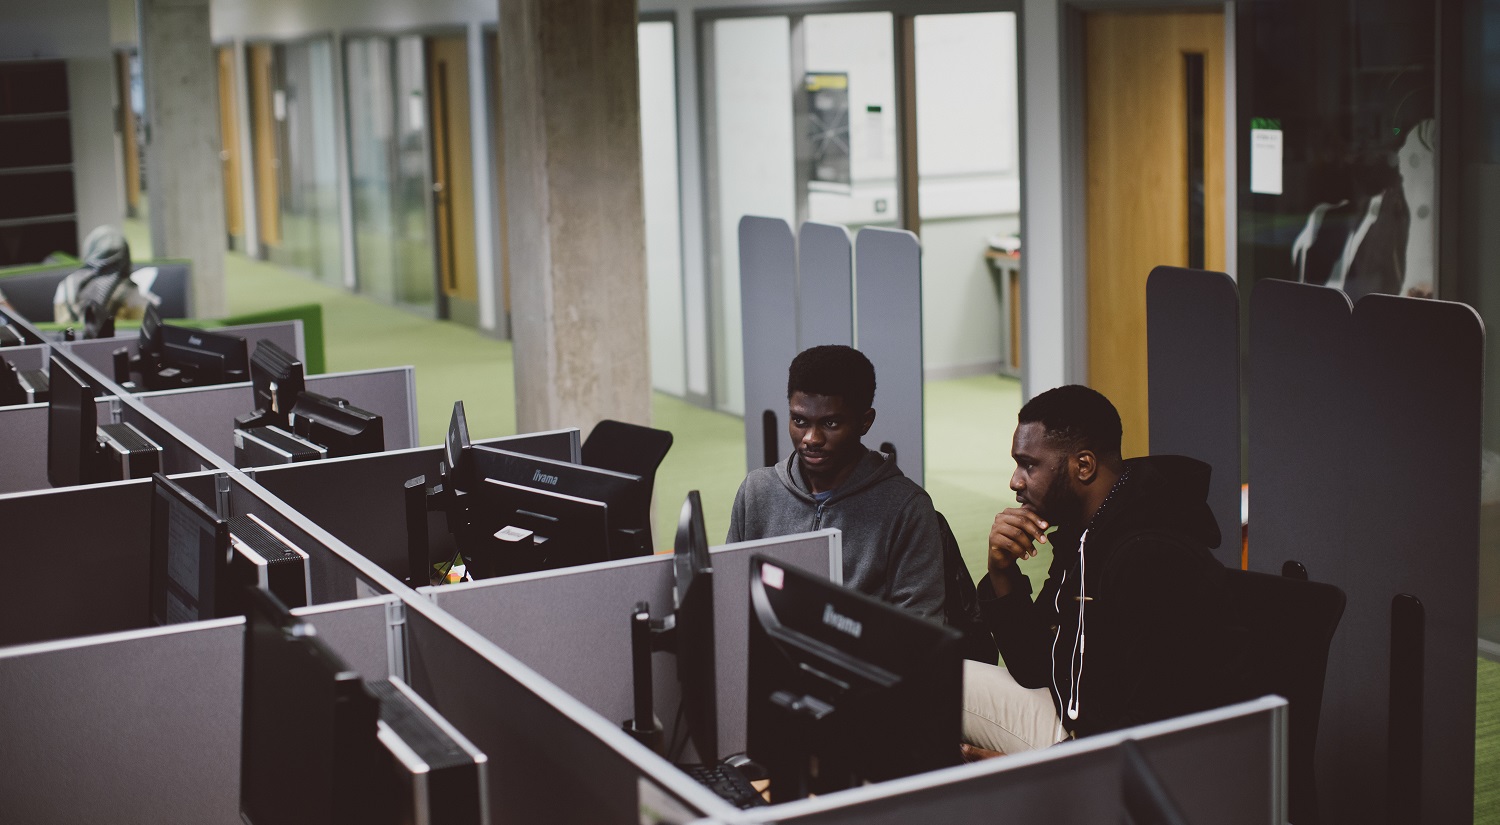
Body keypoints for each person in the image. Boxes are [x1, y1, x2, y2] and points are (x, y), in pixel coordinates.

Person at [961, 385, 1228, 756]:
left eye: (1030, 464)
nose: (1015, 481)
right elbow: (1036, 667)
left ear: (1083, 466)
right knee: (931, 678)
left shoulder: (1150, 558)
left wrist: (1038, 771)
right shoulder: (1082, 530)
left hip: (1123, 757)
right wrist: (1002, 572)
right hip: (1077, 720)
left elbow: (1156, 728)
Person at [727, 345, 945, 619]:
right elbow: (730, 595)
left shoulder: (906, 508)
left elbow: (920, 629)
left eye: (830, 424)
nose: (811, 439)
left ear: (865, 422)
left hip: (860, 660)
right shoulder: (757, 492)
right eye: (799, 420)